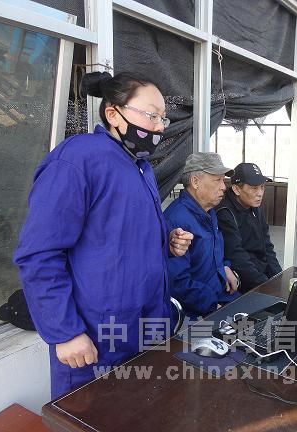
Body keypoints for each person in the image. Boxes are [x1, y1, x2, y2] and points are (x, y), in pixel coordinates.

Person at [14, 71, 193, 398]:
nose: (159, 127)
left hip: (147, 325)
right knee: (93, 413)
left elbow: (119, 234)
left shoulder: (140, 166)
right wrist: (66, 332)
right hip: (97, 337)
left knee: (145, 409)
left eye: (163, 118)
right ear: (113, 113)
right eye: (151, 115)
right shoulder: (77, 159)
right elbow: (39, 254)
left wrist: (167, 241)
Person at [164, 153, 240, 320]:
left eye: (223, 180)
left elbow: (213, 252)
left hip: (220, 294)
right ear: (195, 182)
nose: (223, 187)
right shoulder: (176, 221)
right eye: (217, 180)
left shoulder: (208, 211)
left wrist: (224, 267)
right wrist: (212, 305)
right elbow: (178, 282)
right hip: (196, 312)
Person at [217, 163, 282, 293]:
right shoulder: (225, 212)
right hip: (243, 280)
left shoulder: (255, 206)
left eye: (262, 187)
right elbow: (236, 256)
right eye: (254, 188)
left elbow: (267, 247)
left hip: (262, 271)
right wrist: (266, 286)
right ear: (236, 189)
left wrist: (279, 278)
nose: (260, 193)